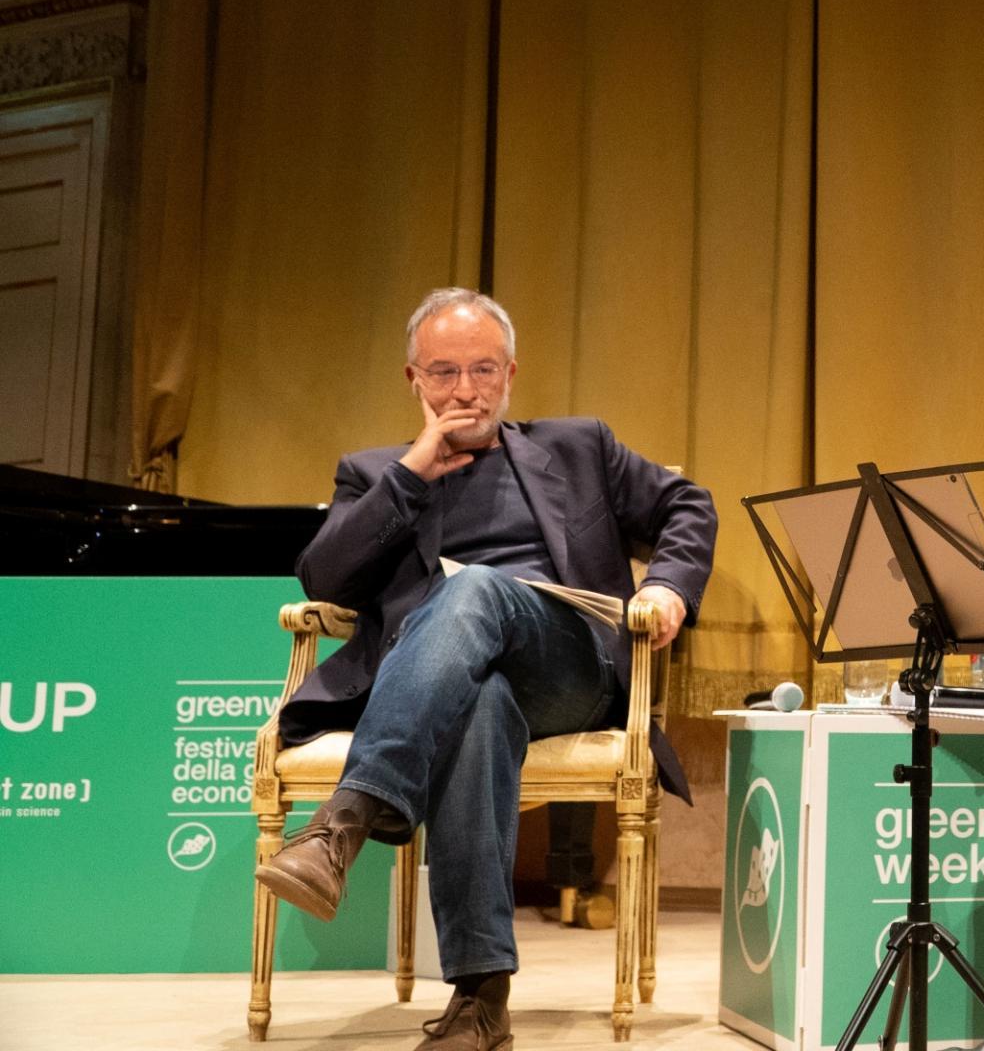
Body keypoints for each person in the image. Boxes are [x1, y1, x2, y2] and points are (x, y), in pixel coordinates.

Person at [255, 287, 717, 1051]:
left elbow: (687, 505)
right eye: (444, 373)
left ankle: (345, 823)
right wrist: (412, 476)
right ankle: (480, 1003)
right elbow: (325, 580)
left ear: (511, 372)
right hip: (448, 680)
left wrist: (666, 582)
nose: (465, 390)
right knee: (478, 703)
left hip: (570, 667)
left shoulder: (578, 446)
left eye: (482, 370)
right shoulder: (374, 473)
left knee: (473, 587)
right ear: (413, 380)